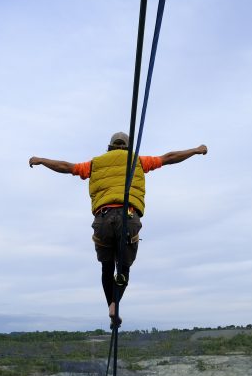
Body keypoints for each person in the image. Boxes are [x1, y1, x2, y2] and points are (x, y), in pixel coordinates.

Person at [29, 132, 208, 328]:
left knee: (107, 267)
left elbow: (66, 167)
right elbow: (169, 158)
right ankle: (115, 304)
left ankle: (110, 306)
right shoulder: (138, 161)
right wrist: (195, 150)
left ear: (110, 147)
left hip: (103, 219)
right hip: (128, 217)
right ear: (128, 146)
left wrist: (41, 160)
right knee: (123, 268)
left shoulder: (95, 164)